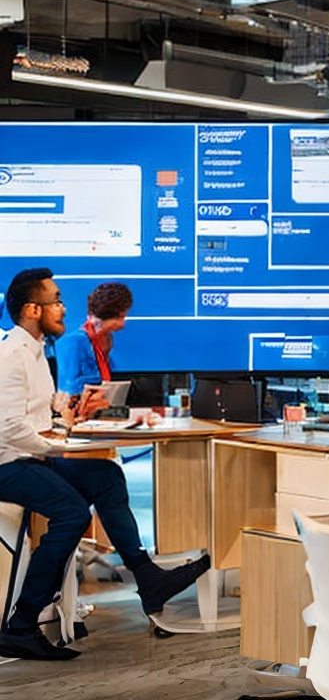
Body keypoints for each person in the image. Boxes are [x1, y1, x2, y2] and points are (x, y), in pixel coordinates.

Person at [0, 268, 211, 660]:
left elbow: (37, 418)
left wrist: (66, 416)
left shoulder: (36, 351)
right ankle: (21, 624)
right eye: (56, 301)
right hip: (9, 464)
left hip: (34, 454)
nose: (63, 308)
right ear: (32, 309)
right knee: (72, 513)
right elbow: (10, 429)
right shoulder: (11, 355)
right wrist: (57, 442)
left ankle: (146, 578)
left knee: (108, 476)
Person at [56, 282, 132, 395]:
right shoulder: (73, 342)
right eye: (120, 317)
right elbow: (68, 388)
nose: (122, 324)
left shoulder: (107, 339)